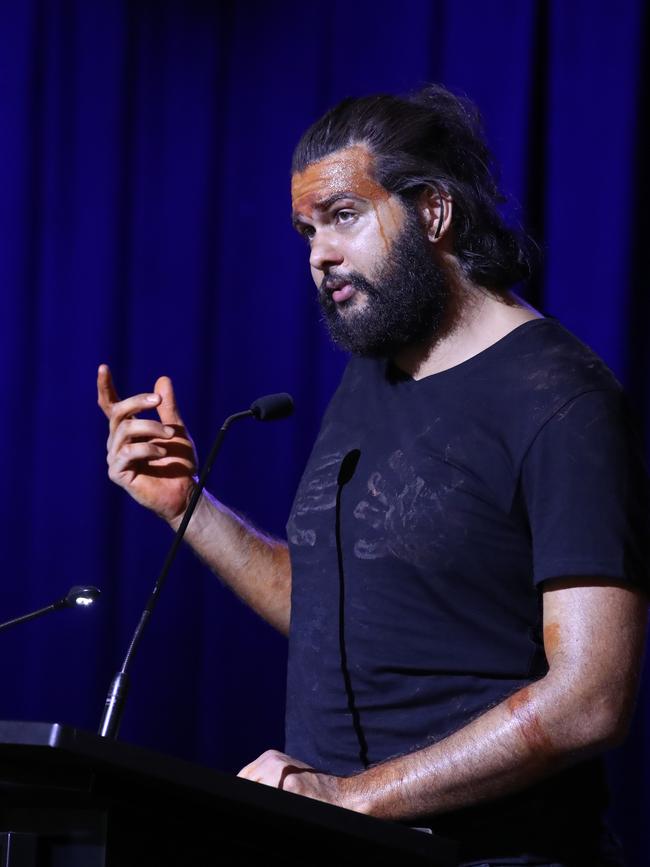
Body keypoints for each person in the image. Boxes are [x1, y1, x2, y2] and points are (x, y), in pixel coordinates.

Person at [97, 85, 649, 866]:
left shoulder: (562, 400)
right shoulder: (374, 377)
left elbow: (592, 698)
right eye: (305, 230)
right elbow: (341, 609)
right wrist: (190, 509)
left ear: (432, 212)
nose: (318, 253)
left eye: (343, 216)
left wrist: (353, 795)